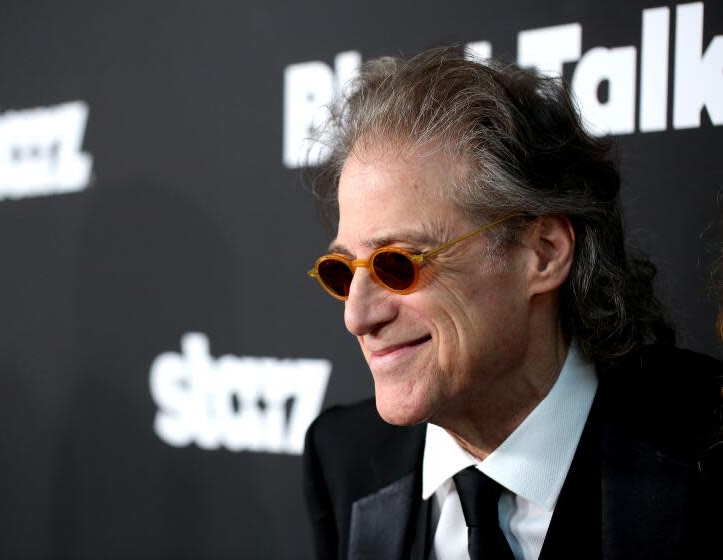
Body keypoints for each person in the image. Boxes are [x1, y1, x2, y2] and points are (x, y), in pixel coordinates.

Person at [302, 45, 722, 560]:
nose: (357, 317)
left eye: (398, 264)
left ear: (542, 254)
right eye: (341, 272)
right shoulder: (343, 458)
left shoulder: (705, 451)